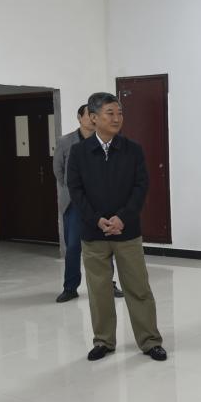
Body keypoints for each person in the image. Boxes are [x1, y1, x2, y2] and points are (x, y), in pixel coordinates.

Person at [66, 92, 166, 362]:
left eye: (119, 113)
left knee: (138, 288)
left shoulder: (133, 149)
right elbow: (75, 190)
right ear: (93, 117)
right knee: (99, 292)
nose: (117, 118)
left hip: (127, 232)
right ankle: (103, 341)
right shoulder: (79, 152)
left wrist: (123, 217)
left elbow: (141, 187)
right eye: (110, 113)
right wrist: (96, 219)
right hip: (93, 233)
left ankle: (150, 341)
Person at [53, 104, 122, 303]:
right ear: (80, 117)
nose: (92, 119)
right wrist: (72, 189)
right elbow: (58, 170)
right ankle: (70, 287)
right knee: (74, 246)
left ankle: (109, 284)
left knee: (105, 245)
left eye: (95, 116)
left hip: (100, 201)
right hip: (74, 203)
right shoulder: (65, 142)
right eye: (89, 116)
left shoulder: (103, 140)